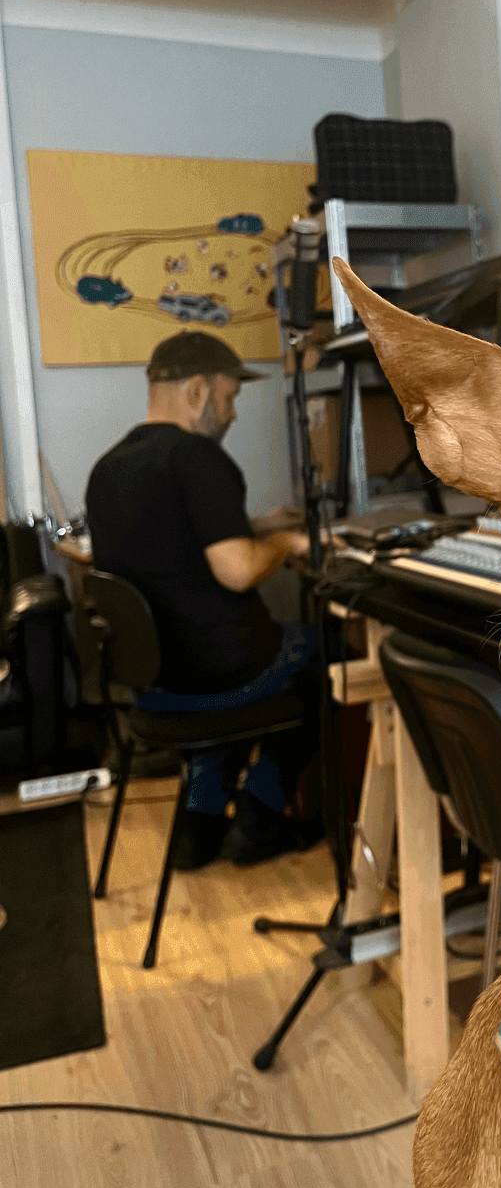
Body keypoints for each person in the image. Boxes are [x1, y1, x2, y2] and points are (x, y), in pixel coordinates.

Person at [86, 330, 320, 870]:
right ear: (197, 391)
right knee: (323, 658)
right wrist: (286, 544)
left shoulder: (108, 469)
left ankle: (201, 822)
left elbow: (171, 542)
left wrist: (258, 525)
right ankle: (262, 815)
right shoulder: (198, 457)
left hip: (155, 687)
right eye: (229, 397)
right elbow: (238, 572)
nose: (233, 413)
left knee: (228, 667)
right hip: (216, 680)